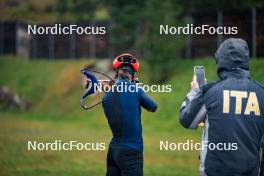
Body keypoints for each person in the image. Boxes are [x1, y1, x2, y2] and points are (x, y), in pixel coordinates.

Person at [179, 38, 264, 176]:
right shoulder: (261, 92)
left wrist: (194, 91)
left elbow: (186, 120)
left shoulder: (210, 91)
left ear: (220, 61)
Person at [102, 53, 157, 176]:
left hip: (114, 149)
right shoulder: (136, 90)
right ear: (134, 75)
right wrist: (137, 89)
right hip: (131, 150)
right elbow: (153, 107)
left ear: (116, 72)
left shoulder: (107, 94)